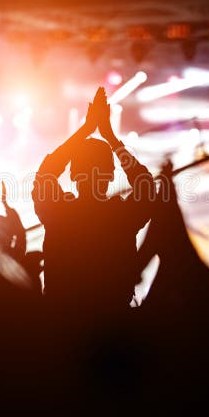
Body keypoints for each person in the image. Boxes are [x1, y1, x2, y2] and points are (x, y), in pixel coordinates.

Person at [32, 87, 154, 316]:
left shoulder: (59, 213)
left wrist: (85, 130)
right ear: (110, 174)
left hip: (62, 321)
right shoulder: (120, 215)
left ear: (72, 173)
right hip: (113, 321)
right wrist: (110, 136)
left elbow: (45, 175)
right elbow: (145, 187)